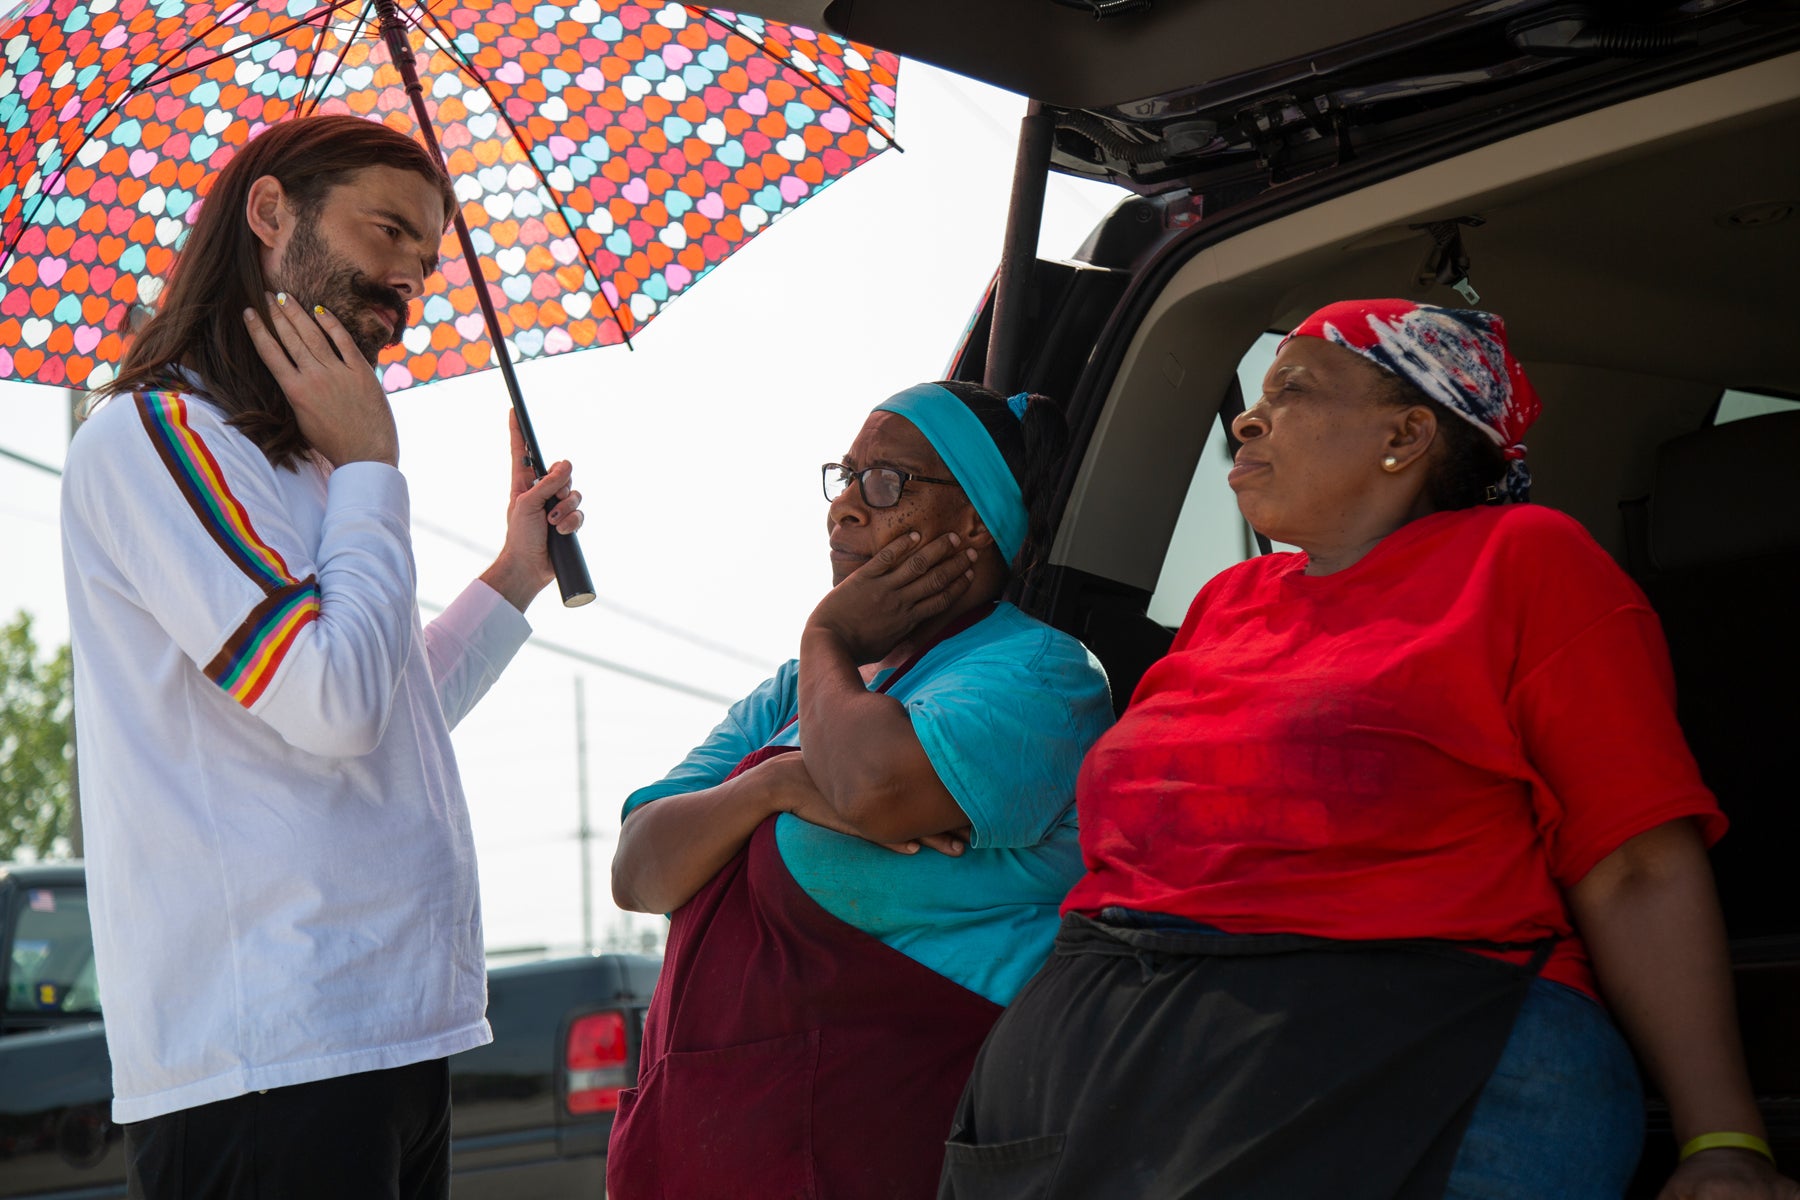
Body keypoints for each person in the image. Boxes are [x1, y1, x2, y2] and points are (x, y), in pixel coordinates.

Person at [941, 300, 1798, 1200]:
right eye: (1258, 393)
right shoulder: (1228, 598)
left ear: (1408, 433)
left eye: (1295, 389)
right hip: (1089, 1073)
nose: (1249, 417)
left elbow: (1635, 867)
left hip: (1400, 1060)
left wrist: (1722, 1140)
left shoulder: (1527, 561)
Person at [60, 114, 584, 1198]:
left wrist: (515, 574)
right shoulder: (157, 439)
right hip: (270, 1055)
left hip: (390, 1031)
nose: (409, 277)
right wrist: (373, 469)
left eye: (428, 257)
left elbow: (384, 703)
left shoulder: (305, 464)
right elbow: (335, 703)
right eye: (388, 230)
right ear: (269, 212)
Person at [606, 380, 1114, 1199]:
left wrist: (829, 633)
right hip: (709, 1148)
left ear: (975, 523)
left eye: (885, 483)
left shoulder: (1038, 676)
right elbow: (639, 871)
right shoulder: (794, 692)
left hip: (886, 1149)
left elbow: (873, 783)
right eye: (844, 477)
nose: (844, 507)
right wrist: (769, 787)